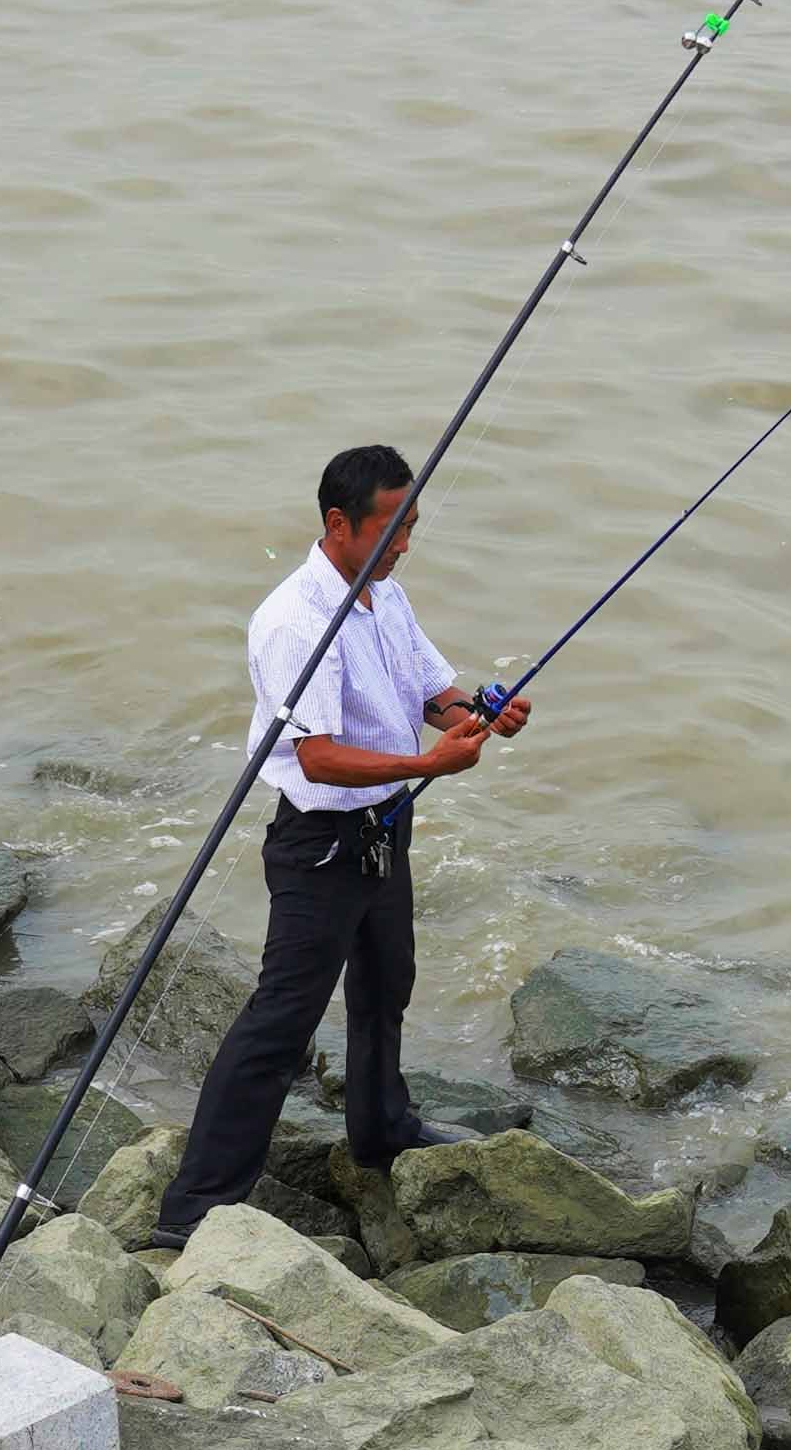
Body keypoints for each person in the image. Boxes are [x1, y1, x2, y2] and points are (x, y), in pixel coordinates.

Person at [147, 439, 517, 1244]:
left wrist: (477, 714)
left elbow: (431, 691)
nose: (406, 544)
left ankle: (381, 1129)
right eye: (394, 528)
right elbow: (317, 753)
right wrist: (430, 761)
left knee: (389, 983)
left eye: (414, 526)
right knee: (282, 1020)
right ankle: (195, 1209)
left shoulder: (388, 594)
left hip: (385, 825)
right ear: (340, 523)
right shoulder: (293, 621)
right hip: (318, 840)